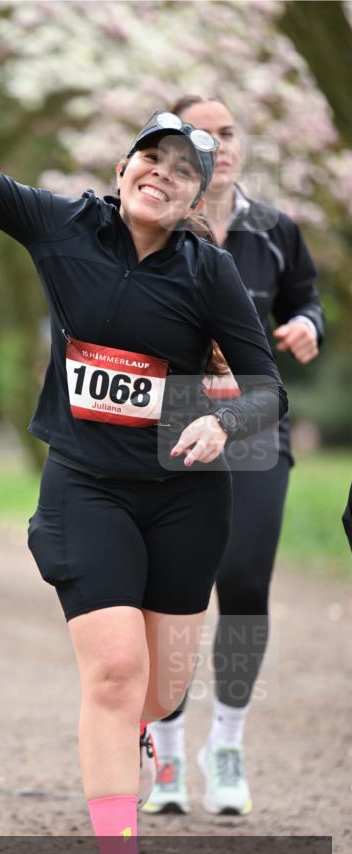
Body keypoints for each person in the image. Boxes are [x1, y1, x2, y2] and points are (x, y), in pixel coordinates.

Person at [0, 2, 286, 854]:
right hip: (86, 484)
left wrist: (218, 420)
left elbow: (267, 385)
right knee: (113, 674)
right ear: (121, 173)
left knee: (162, 687)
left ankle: (160, 733)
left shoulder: (208, 274)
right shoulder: (61, 225)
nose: (161, 174)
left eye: (182, 170)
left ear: (196, 198)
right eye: (148, 159)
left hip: (184, 498)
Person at [143, 95, 324, 817]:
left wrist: (306, 326)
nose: (221, 144)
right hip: (171, 429)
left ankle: (226, 745)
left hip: (253, 428)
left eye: (228, 132)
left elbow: (305, 300)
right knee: (172, 595)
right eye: (203, 135)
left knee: (244, 586)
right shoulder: (153, 224)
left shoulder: (275, 229)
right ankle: (165, 752)